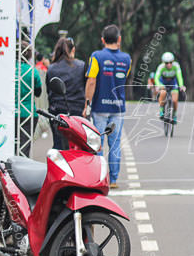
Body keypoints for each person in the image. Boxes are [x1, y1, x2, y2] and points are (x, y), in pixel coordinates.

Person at [84, 24, 131, 189]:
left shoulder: (96, 56)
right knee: (115, 144)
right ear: (119, 40)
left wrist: (87, 103)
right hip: (118, 108)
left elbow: (91, 81)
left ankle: (99, 178)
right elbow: (123, 77)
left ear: (103, 40)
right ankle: (114, 180)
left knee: (98, 143)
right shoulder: (127, 59)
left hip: (99, 108)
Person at [47, 37, 86, 149]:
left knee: (58, 145)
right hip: (77, 111)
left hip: (57, 112)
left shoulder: (51, 68)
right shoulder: (81, 65)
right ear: (72, 50)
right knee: (78, 145)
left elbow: (49, 91)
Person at [15, 58, 42, 157]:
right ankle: (22, 170)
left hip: (9, 113)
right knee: (24, 147)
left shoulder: (7, 69)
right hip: (27, 112)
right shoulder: (32, 71)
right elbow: (38, 93)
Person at [154, 52, 185, 120]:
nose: (169, 64)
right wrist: (158, 85)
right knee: (163, 93)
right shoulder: (161, 67)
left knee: (174, 100)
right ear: (163, 62)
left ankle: (174, 114)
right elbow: (156, 77)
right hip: (163, 82)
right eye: (166, 63)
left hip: (173, 82)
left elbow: (179, 77)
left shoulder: (176, 66)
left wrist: (181, 85)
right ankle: (161, 110)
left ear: (173, 61)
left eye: (170, 62)